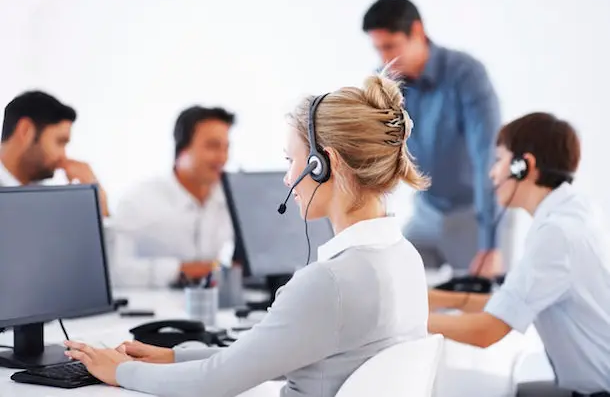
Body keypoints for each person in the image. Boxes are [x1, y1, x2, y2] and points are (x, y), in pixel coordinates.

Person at [64, 73, 430, 396]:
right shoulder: (405, 259)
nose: (288, 179)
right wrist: (174, 356)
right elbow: (275, 352)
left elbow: (212, 383)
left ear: (323, 165)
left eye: (291, 160)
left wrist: (120, 371)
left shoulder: (327, 283)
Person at [427, 113, 610, 396]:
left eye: (499, 159)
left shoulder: (556, 234)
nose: (492, 173)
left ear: (524, 165)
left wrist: (405, 320)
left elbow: (486, 331)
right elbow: (508, 301)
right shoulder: (575, 213)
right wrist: (434, 299)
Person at [363, 0, 505, 277]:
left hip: (474, 215)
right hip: (427, 212)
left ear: (417, 31)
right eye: (378, 49)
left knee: (477, 305)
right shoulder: (386, 81)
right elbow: (375, 156)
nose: (384, 59)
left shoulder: (466, 75)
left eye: (391, 47)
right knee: (395, 281)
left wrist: (491, 243)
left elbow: (486, 158)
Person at [110, 106, 235, 288]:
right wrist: (179, 270)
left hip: (217, 307)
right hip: (155, 309)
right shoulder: (139, 201)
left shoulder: (229, 199)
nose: (223, 158)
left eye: (226, 148)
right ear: (182, 149)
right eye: (213, 146)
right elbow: (117, 271)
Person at [0, 90, 109, 216]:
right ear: (26, 131)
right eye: (60, 142)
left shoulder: (48, 204)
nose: (63, 156)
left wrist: (97, 203)